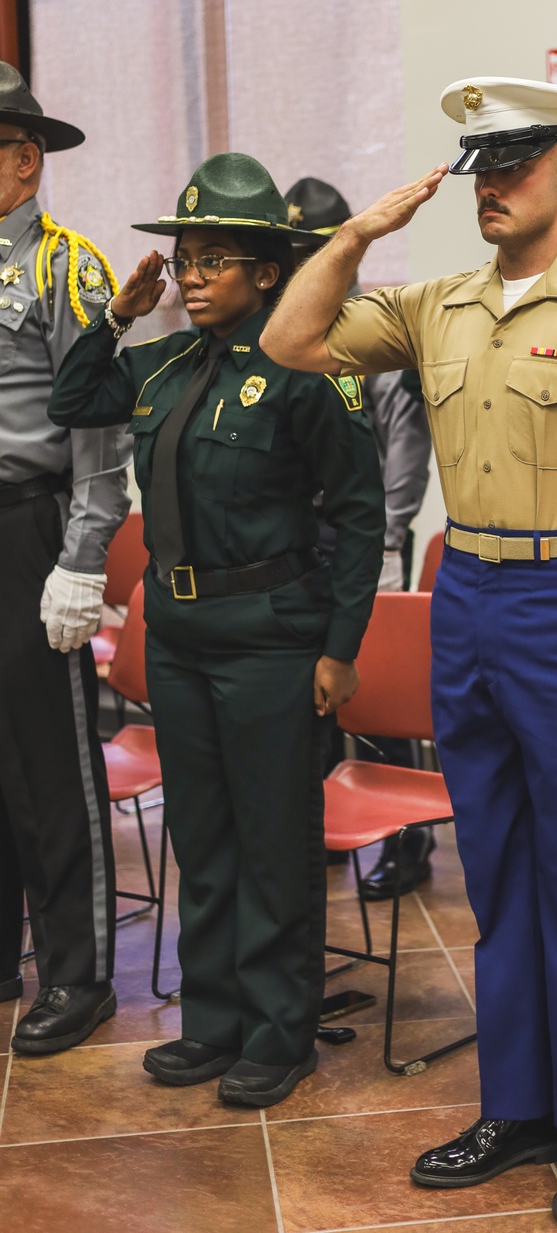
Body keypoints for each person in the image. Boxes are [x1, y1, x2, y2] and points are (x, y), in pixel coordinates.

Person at [262, 77, 557, 1226]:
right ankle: (515, 1103)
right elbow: (290, 337)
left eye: (513, 163)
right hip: (463, 590)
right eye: (477, 164)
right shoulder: (438, 303)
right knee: (496, 874)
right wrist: (361, 231)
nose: (489, 184)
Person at [48, 152, 385, 1107]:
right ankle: (216, 1023)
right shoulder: (159, 363)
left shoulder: (309, 372)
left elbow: (359, 513)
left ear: (269, 272)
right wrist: (119, 313)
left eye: (213, 260)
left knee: (275, 842)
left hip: (274, 632)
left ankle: (281, 1035)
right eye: (184, 258)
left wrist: (340, 647)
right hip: (183, 630)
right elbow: (73, 402)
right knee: (203, 834)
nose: (191, 276)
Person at [0, 62, 130, 1056]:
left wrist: (82, 560)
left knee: (55, 764)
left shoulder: (67, 265)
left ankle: (79, 977)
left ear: (23, 158)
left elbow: (97, 429)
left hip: (30, 525)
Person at [286, 175, 436, 900]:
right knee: (315, 691)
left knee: (382, 693)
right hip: (302, 545)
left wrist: (383, 544)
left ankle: (408, 844)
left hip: (365, 543)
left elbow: (405, 456)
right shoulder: (290, 332)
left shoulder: (374, 329)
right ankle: (328, 828)